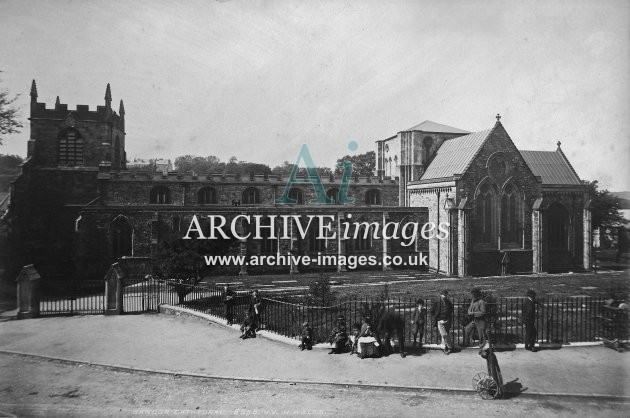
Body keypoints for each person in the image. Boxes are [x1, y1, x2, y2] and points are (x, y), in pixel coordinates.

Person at [431, 289, 454, 355]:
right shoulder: (436, 302)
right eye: (443, 295)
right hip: (440, 321)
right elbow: (432, 311)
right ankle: (449, 346)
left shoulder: (449, 302)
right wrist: (437, 318)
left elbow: (451, 310)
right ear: (440, 295)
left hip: (447, 320)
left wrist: (448, 317)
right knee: (444, 334)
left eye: (445, 295)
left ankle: (445, 347)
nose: (444, 296)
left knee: (445, 334)